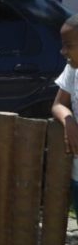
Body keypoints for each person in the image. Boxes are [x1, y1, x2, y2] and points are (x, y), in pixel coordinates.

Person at [50, 13, 78, 221]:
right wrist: (68, 119)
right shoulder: (72, 69)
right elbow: (58, 104)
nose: (63, 51)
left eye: (69, 45)